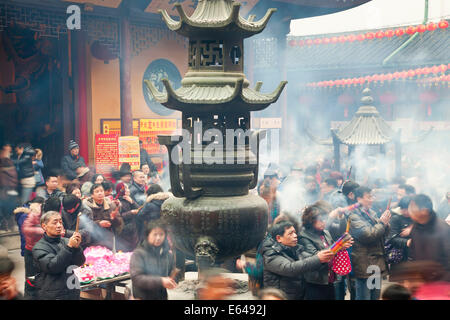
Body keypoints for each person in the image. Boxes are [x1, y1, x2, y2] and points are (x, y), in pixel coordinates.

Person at [261, 220, 335, 300]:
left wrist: (325, 256)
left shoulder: (295, 248)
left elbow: (310, 258)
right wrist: (318, 259)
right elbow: (290, 268)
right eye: (290, 233)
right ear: (279, 238)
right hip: (280, 297)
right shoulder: (270, 253)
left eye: (295, 232)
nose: (295, 235)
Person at [299, 205, 353, 300]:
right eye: (320, 220)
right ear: (311, 221)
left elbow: (333, 248)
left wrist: (339, 247)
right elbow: (317, 256)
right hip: (315, 281)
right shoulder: (304, 236)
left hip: (330, 279)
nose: (324, 222)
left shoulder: (325, 233)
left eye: (325, 219)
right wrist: (339, 246)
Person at [347, 186, 391, 300]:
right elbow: (367, 235)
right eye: (369, 197)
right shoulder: (353, 215)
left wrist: (385, 224)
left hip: (376, 261)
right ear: (358, 199)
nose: (372, 199)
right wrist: (382, 223)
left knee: (375, 296)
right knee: (364, 296)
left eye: (372, 196)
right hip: (364, 263)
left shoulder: (371, 212)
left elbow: (382, 234)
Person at [32, 211, 85, 300]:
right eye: (55, 222)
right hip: (53, 293)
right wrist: (69, 247)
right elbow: (53, 267)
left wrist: (77, 248)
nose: (59, 225)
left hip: (72, 289)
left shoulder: (65, 241)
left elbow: (78, 263)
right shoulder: (39, 248)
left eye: (60, 222)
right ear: (44, 226)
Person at [130, 220, 176, 300]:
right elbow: (137, 278)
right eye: (155, 234)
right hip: (142, 297)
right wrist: (160, 281)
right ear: (148, 235)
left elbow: (170, 274)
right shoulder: (139, 254)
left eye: (161, 234)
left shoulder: (167, 254)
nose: (158, 238)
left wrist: (172, 280)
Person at [408, 194, 450, 281]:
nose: (409, 210)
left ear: (424, 211)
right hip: (421, 280)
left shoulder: (443, 229)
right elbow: (412, 253)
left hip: (442, 282)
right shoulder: (415, 228)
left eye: (412, 207)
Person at [81, 183, 123, 250]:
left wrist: (114, 218)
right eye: (97, 192)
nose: (100, 193)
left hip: (108, 239)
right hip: (92, 239)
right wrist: (99, 223)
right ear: (92, 195)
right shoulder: (87, 207)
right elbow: (84, 224)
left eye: (101, 191)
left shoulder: (111, 205)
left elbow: (119, 224)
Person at [21, 200, 45, 299]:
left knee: (36, 276)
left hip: (36, 249)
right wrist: (42, 230)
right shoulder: (34, 214)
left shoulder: (38, 213)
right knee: (31, 278)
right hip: (31, 250)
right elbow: (26, 228)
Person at [386, 196, 413, 265]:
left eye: (408, 209)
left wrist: (412, 230)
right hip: (399, 257)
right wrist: (407, 242)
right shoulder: (396, 219)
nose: (405, 212)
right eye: (403, 209)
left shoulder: (418, 218)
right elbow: (391, 238)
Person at [115, 182, 140, 252]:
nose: (128, 190)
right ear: (122, 190)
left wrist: (132, 201)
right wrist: (131, 212)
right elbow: (119, 216)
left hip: (133, 229)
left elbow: (139, 209)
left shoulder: (129, 199)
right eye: (126, 188)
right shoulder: (117, 202)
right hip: (124, 230)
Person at [0, 142, 18, 231]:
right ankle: (5, 224)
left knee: (10, 206)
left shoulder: (9, 158)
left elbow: (12, 172)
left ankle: (9, 224)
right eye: (7, 147)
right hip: (4, 188)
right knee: (4, 206)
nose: (9, 148)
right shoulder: (3, 158)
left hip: (10, 187)